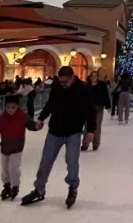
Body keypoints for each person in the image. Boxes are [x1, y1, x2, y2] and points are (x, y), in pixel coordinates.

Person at [22, 66, 91, 208]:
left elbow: (90, 111)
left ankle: (72, 188)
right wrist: (41, 118)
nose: (62, 84)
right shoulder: (57, 87)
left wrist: (91, 130)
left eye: (65, 82)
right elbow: (50, 104)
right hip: (55, 131)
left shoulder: (84, 89)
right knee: (46, 161)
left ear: (72, 77)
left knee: (72, 161)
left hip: (73, 131)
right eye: (60, 82)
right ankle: (39, 189)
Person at [0, 95, 34, 200]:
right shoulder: (1, 118)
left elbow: (32, 125)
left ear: (18, 107)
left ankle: (15, 186)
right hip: (5, 146)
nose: (10, 110)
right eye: (8, 107)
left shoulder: (22, 116)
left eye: (13, 107)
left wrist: (38, 125)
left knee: (13, 168)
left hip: (17, 146)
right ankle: (7, 185)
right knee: (5, 169)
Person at [83, 71, 111, 151]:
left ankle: (96, 144)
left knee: (97, 126)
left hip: (98, 107)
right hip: (88, 108)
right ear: (90, 77)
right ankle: (85, 143)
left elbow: (105, 95)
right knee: (87, 126)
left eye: (95, 76)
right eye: (92, 76)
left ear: (97, 77)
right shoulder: (87, 85)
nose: (94, 77)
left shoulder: (102, 85)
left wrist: (108, 106)